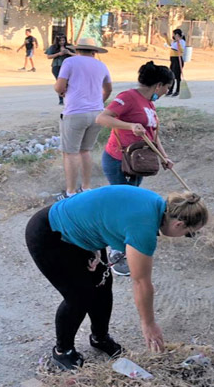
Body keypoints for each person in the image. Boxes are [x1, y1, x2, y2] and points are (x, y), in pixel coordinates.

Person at [25, 185, 209, 370]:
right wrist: (149, 324)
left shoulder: (157, 205)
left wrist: (92, 245)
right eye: (190, 234)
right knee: (79, 296)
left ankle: (100, 338)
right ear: (179, 224)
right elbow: (141, 282)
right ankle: (62, 351)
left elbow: (102, 211)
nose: (186, 236)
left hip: (81, 235)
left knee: (102, 287)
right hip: (50, 233)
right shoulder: (144, 228)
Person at [95, 61, 175, 276]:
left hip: (138, 163)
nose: (167, 92)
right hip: (118, 160)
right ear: (158, 85)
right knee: (123, 207)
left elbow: (152, 136)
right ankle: (116, 253)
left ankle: (124, 247)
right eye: (167, 87)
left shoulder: (150, 104)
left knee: (130, 204)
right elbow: (102, 118)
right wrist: (130, 126)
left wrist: (164, 157)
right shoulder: (129, 97)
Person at [54, 37, 113, 199]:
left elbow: (59, 86)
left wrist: (61, 91)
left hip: (75, 112)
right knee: (85, 151)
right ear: (94, 51)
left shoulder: (70, 62)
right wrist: (99, 101)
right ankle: (86, 187)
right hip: (97, 113)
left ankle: (70, 192)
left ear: (78, 50)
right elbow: (108, 89)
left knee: (70, 153)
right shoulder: (102, 65)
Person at [45, 35, 75, 105]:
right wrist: (59, 54)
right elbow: (48, 56)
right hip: (57, 66)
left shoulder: (70, 46)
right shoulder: (53, 47)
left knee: (69, 82)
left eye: (63, 40)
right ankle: (61, 99)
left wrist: (69, 53)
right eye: (60, 41)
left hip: (68, 67)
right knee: (60, 83)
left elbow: (77, 55)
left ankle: (69, 98)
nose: (62, 42)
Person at [164, 29, 186, 97]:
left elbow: (181, 50)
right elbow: (170, 44)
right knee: (172, 76)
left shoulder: (182, 41)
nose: (173, 36)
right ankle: (170, 90)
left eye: (174, 34)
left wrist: (178, 42)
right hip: (173, 60)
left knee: (177, 76)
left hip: (178, 60)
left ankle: (177, 90)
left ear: (178, 35)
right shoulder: (174, 42)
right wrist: (166, 37)